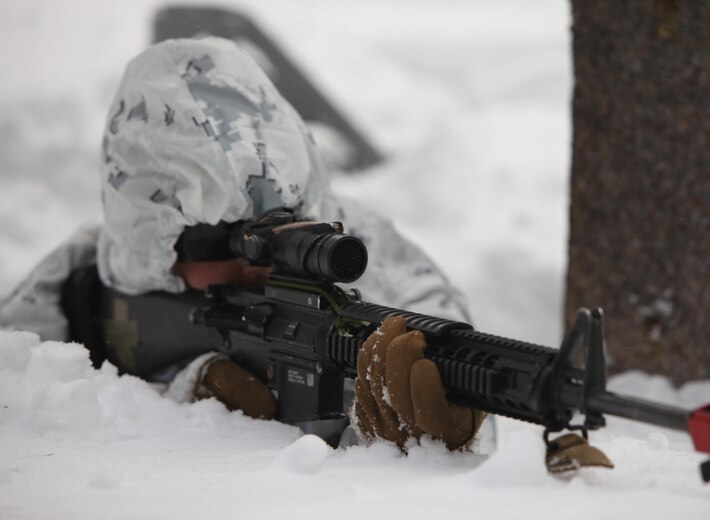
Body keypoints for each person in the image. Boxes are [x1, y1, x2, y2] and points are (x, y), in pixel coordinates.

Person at [0, 37, 483, 450]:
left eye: (282, 229)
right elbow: (26, 430)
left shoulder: (362, 245)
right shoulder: (59, 300)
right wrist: (170, 401)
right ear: (150, 243)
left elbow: (455, 352)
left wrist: (426, 425)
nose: (254, 264)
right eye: (213, 240)